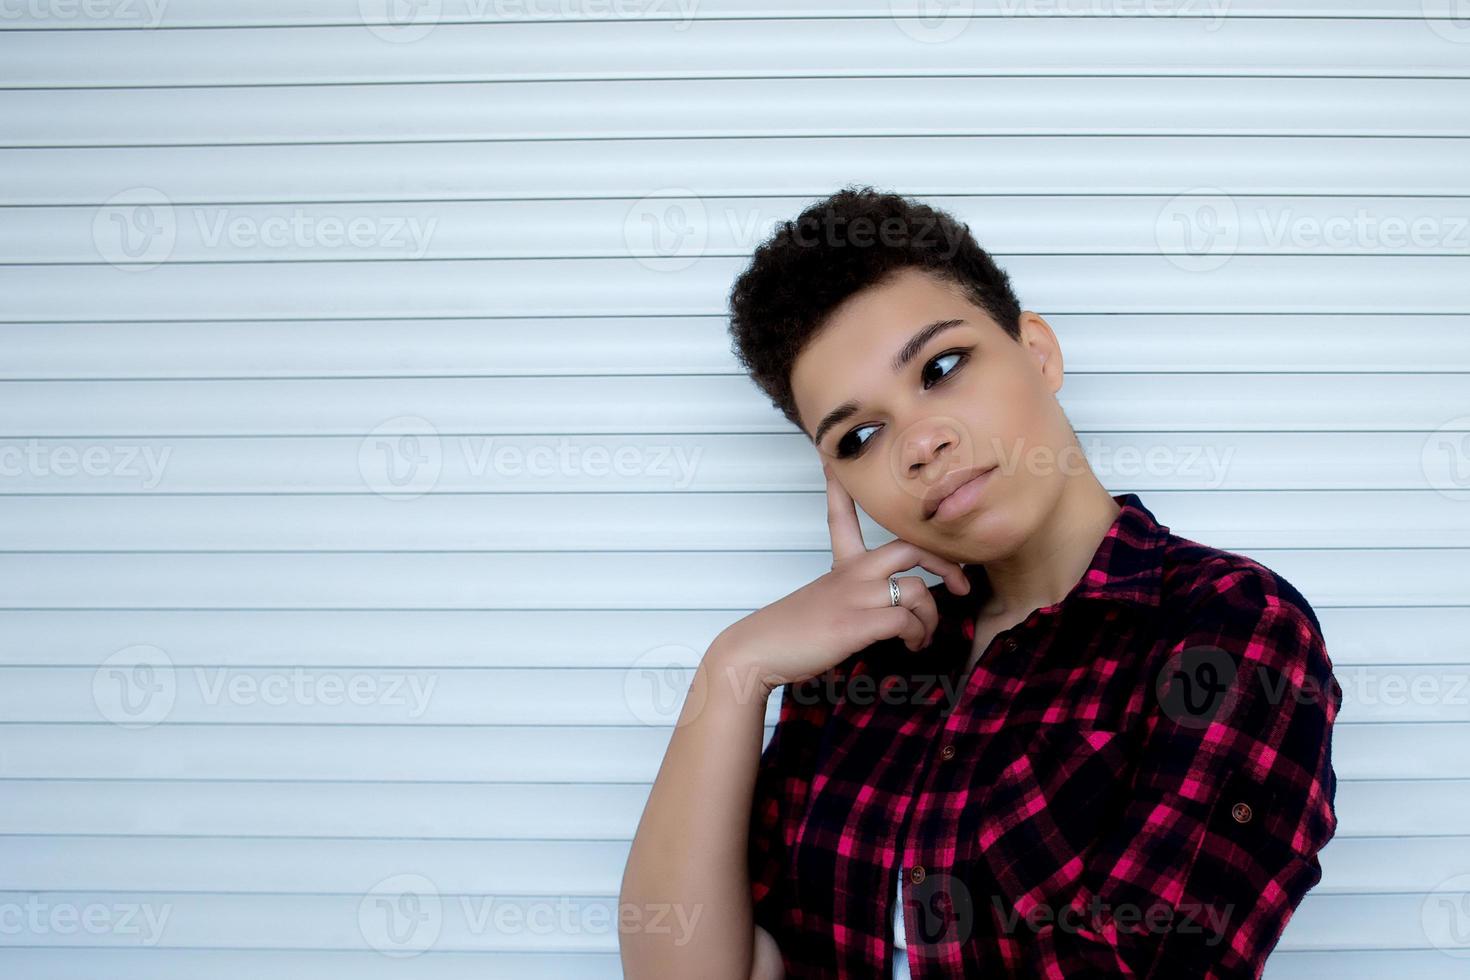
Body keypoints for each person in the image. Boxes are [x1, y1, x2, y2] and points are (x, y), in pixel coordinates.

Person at [618, 186, 1340, 979]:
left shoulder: (1226, 626)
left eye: (942, 367)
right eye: (859, 435)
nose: (921, 444)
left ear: (1038, 351)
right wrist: (735, 666)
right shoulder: (854, 666)